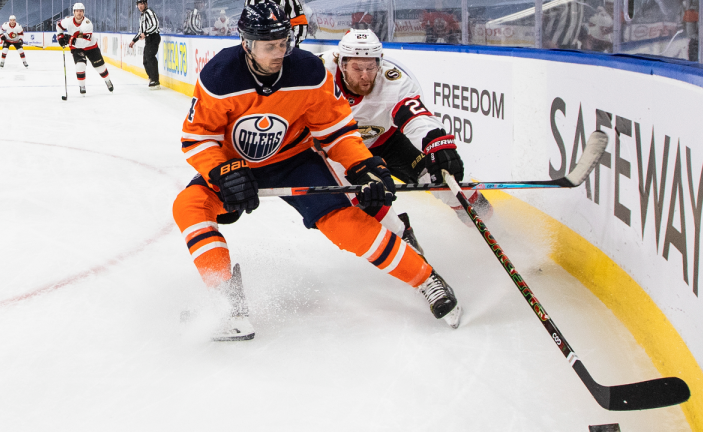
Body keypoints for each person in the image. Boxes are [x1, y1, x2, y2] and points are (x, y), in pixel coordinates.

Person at [172, 2, 462, 342]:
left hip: (293, 161)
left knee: (344, 222)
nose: (280, 52)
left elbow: (337, 131)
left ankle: (427, 279)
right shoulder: (219, 76)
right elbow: (198, 137)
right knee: (189, 206)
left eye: (284, 43)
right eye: (270, 46)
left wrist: (360, 165)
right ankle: (226, 303)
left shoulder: (309, 72)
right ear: (246, 42)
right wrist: (222, 171)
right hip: (237, 165)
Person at [317, 29, 492, 255]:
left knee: (447, 182)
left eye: (370, 67)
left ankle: (498, 233)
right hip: (339, 150)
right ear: (341, 63)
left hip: (387, 140)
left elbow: (417, 118)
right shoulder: (317, 73)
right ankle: (414, 259)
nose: (365, 76)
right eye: (357, 68)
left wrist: (438, 144)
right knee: (369, 203)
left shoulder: (393, 81)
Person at [56, 3, 114, 94]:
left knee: (100, 67)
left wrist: (70, 40)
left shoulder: (87, 24)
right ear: (73, 12)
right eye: (77, 11)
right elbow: (59, 25)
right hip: (76, 47)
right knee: (80, 65)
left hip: (91, 46)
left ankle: (107, 80)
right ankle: (82, 86)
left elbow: (84, 43)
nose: (79, 13)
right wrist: (60, 36)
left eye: (81, 11)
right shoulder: (68, 21)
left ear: (83, 13)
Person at [129, 0, 161, 88]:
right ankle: (152, 78)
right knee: (145, 60)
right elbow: (140, 31)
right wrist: (133, 41)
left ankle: (155, 80)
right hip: (148, 39)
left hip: (153, 37)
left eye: (142, 4)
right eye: (139, 4)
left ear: (146, 4)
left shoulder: (149, 12)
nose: (140, 6)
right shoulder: (142, 16)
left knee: (150, 56)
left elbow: (155, 25)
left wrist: (146, 33)